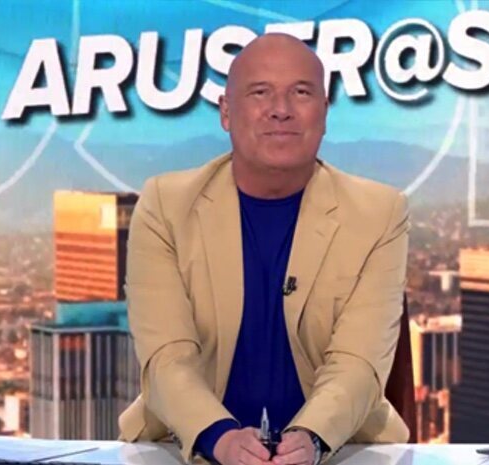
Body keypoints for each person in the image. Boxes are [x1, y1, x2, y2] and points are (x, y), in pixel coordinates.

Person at [118, 33, 410, 465]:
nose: (281, 108)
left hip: (340, 450)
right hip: (184, 449)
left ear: (325, 111)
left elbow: (359, 361)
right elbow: (166, 356)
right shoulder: (165, 206)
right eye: (260, 92)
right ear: (226, 112)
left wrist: (310, 439)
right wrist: (219, 438)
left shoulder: (379, 213)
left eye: (301, 92)